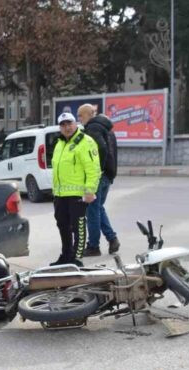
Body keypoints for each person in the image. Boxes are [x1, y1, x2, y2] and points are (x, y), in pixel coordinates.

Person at [50, 112, 100, 267]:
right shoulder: (60, 143)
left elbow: (93, 168)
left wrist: (90, 190)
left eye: (69, 123)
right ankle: (66, 255)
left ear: (76, 123)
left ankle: (77, 258)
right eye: (63, 125)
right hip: (60, 194)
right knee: (62, 225)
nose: (67, 127)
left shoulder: (85, 141)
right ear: (60, 127)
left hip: (77, 193)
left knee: (78, 226)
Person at [77, 104, 120, 257]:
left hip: (99, 176)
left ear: (88, 114)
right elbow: (113, 151)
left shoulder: (93, 128)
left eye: (80, 116)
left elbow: (101, 149)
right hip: (108, 175)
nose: (79, 119)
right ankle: (112, 238)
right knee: (98, 208)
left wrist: (97, 171)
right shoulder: (107, 128)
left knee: (92, 211)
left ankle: (93, 246)